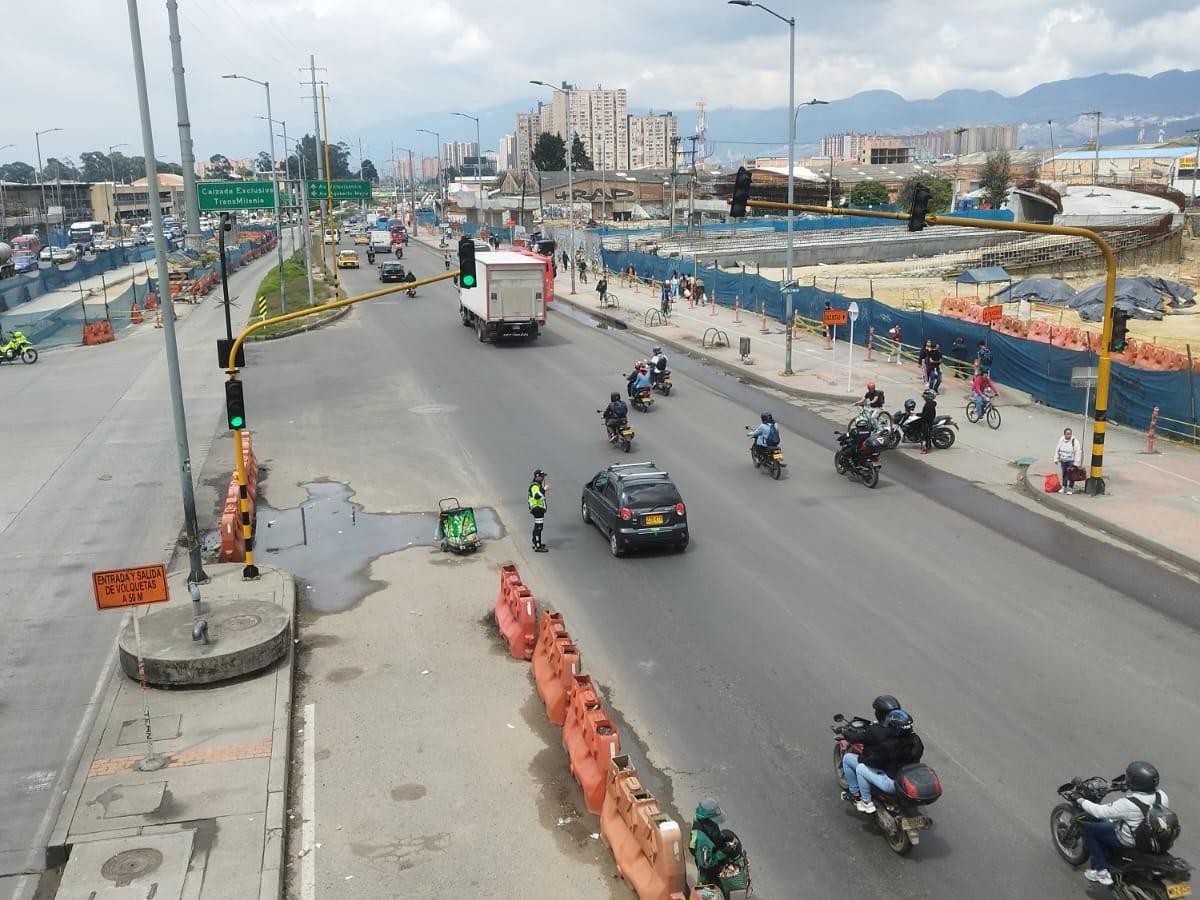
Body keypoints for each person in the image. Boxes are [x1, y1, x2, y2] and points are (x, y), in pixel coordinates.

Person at [1077, 761, 1168, 887]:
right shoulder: (1162, 796)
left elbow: (1099, 812)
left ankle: (1100, 870)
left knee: (1090, 829)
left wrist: (1081, 800)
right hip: (1154, 835)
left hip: (1130, 839)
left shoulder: (1128, 804)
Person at [843, 709, 924, 814]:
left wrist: (861, 758)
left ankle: (865, 801)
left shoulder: (889, 745)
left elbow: (873, 762)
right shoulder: (916, 740)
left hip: (891, 783)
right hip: (907, 780)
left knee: (860, 767)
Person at [840, 695, 902, 806]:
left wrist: (844, 732)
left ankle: (857, 796)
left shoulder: (875, 732)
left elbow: (855, 739)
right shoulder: (905, 733)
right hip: (897, 771)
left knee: (849, 760)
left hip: (885, 774)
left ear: (879, 713)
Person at [689, 799, 734, 886]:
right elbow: (706, 863)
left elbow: (714, 834)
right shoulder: (702, 840)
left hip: (713, 852)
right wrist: (722, 852)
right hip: (709, 868)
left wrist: (722, 837)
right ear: (706, 820)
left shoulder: (710, 824)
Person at [1053, 427, 1082, 494]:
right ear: (1064, 434)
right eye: (1067, 434)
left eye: (1069, 434)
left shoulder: (1074, 441)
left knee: (1071, 474)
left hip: (1071, 460)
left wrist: (1077, 463)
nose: (1068, 435)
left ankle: (1070, 488)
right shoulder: (1061, 440)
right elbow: (1057, 449)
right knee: (1064, 474)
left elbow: (1078, 452)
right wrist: (1056, 458)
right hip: (1063, 460)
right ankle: (1064, 486)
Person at [528, 469, 549, 553]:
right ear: (538, 477)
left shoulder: (537, 485)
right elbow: (536, 496)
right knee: (539, 528)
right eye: (542, 477)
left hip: (538, 509)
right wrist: (544, 490)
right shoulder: (535, 486)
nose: (543, 478)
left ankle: (536, 542)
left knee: (538, 526)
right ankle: (537, 546)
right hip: (537, 509)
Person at [916, 389, 937, 454]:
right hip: (926, 419)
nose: (924, 397)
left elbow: (925, 415)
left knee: (925, 432)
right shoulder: (928, 403)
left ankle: (927, 447)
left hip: (928, 421)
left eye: (925, 396)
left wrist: (918, 414)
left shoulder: (930, 405)